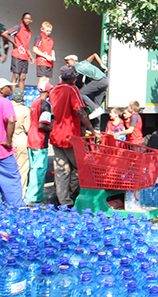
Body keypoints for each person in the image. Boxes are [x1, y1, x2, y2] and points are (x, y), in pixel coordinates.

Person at [50, 65, 101, 207]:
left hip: (56, 135)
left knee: (61, 170)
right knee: (81, 167)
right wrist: (93, 130)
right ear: (73, 77)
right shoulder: (72, 90)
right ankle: (71, 195)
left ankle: (64, 201)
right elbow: (80, 111)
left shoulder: (54, 91)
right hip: (70, 136)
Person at [0, 78, 23, 205]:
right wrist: (8, 141)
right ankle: (15, 209)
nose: (10, 89)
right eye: (8, 87)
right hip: (1, 150)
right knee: (12, 179)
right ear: (2, 90)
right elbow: (10, 120)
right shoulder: (5, 102)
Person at [24, 82, 53, 203]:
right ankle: (33, 196)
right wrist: (53, 130)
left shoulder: (34, 102)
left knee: (33, 169)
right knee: (39, 170)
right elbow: (42, 125)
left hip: (31, 138)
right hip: (40, 141)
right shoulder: (45, 105)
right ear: (48, 91)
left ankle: (37, 194)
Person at [64, 54, 108, 120]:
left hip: (98, 81)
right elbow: (94, 55)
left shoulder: (75, 68)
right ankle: (97, 125)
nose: (67, 65)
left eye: (68, 62)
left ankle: (96, 109)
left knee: (81, 93)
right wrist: (101, 64)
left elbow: (78, 81)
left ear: (73, 61)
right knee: (97, 105)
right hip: (105, 80)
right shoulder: (84, 62)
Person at [1, 13, 36, 91]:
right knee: (16, 75)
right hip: (17, 55)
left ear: (31, 20)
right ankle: (14, 95)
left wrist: (31, 57)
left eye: (29, 19)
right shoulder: (18, 27)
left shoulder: (28, 30)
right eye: (25, 18)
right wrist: (13, 43)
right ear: (22, 19)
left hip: (25, 56)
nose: (27, 20)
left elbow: (25, 46)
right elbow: (4, 34)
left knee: (23, 77)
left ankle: (20, 95)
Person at [11, 87, 31, 196]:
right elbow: (28, 128)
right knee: (22, 169)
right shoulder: (24, 110)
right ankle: (20, 194)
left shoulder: (8, 107)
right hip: (21, 140)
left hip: (9, 140)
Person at [32, 22, 55, 88]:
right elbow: (35, 49)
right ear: (42, 29)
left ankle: (45, 91)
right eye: (47, 31)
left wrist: (53, 56)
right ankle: (39, 91)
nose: (48, 32)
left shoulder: (51, 39)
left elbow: (52, 49)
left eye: (50, 31)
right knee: (42, 78)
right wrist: (45, 56)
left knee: (47, 79)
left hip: (49, 62)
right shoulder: (39, 38)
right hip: (42, 61)